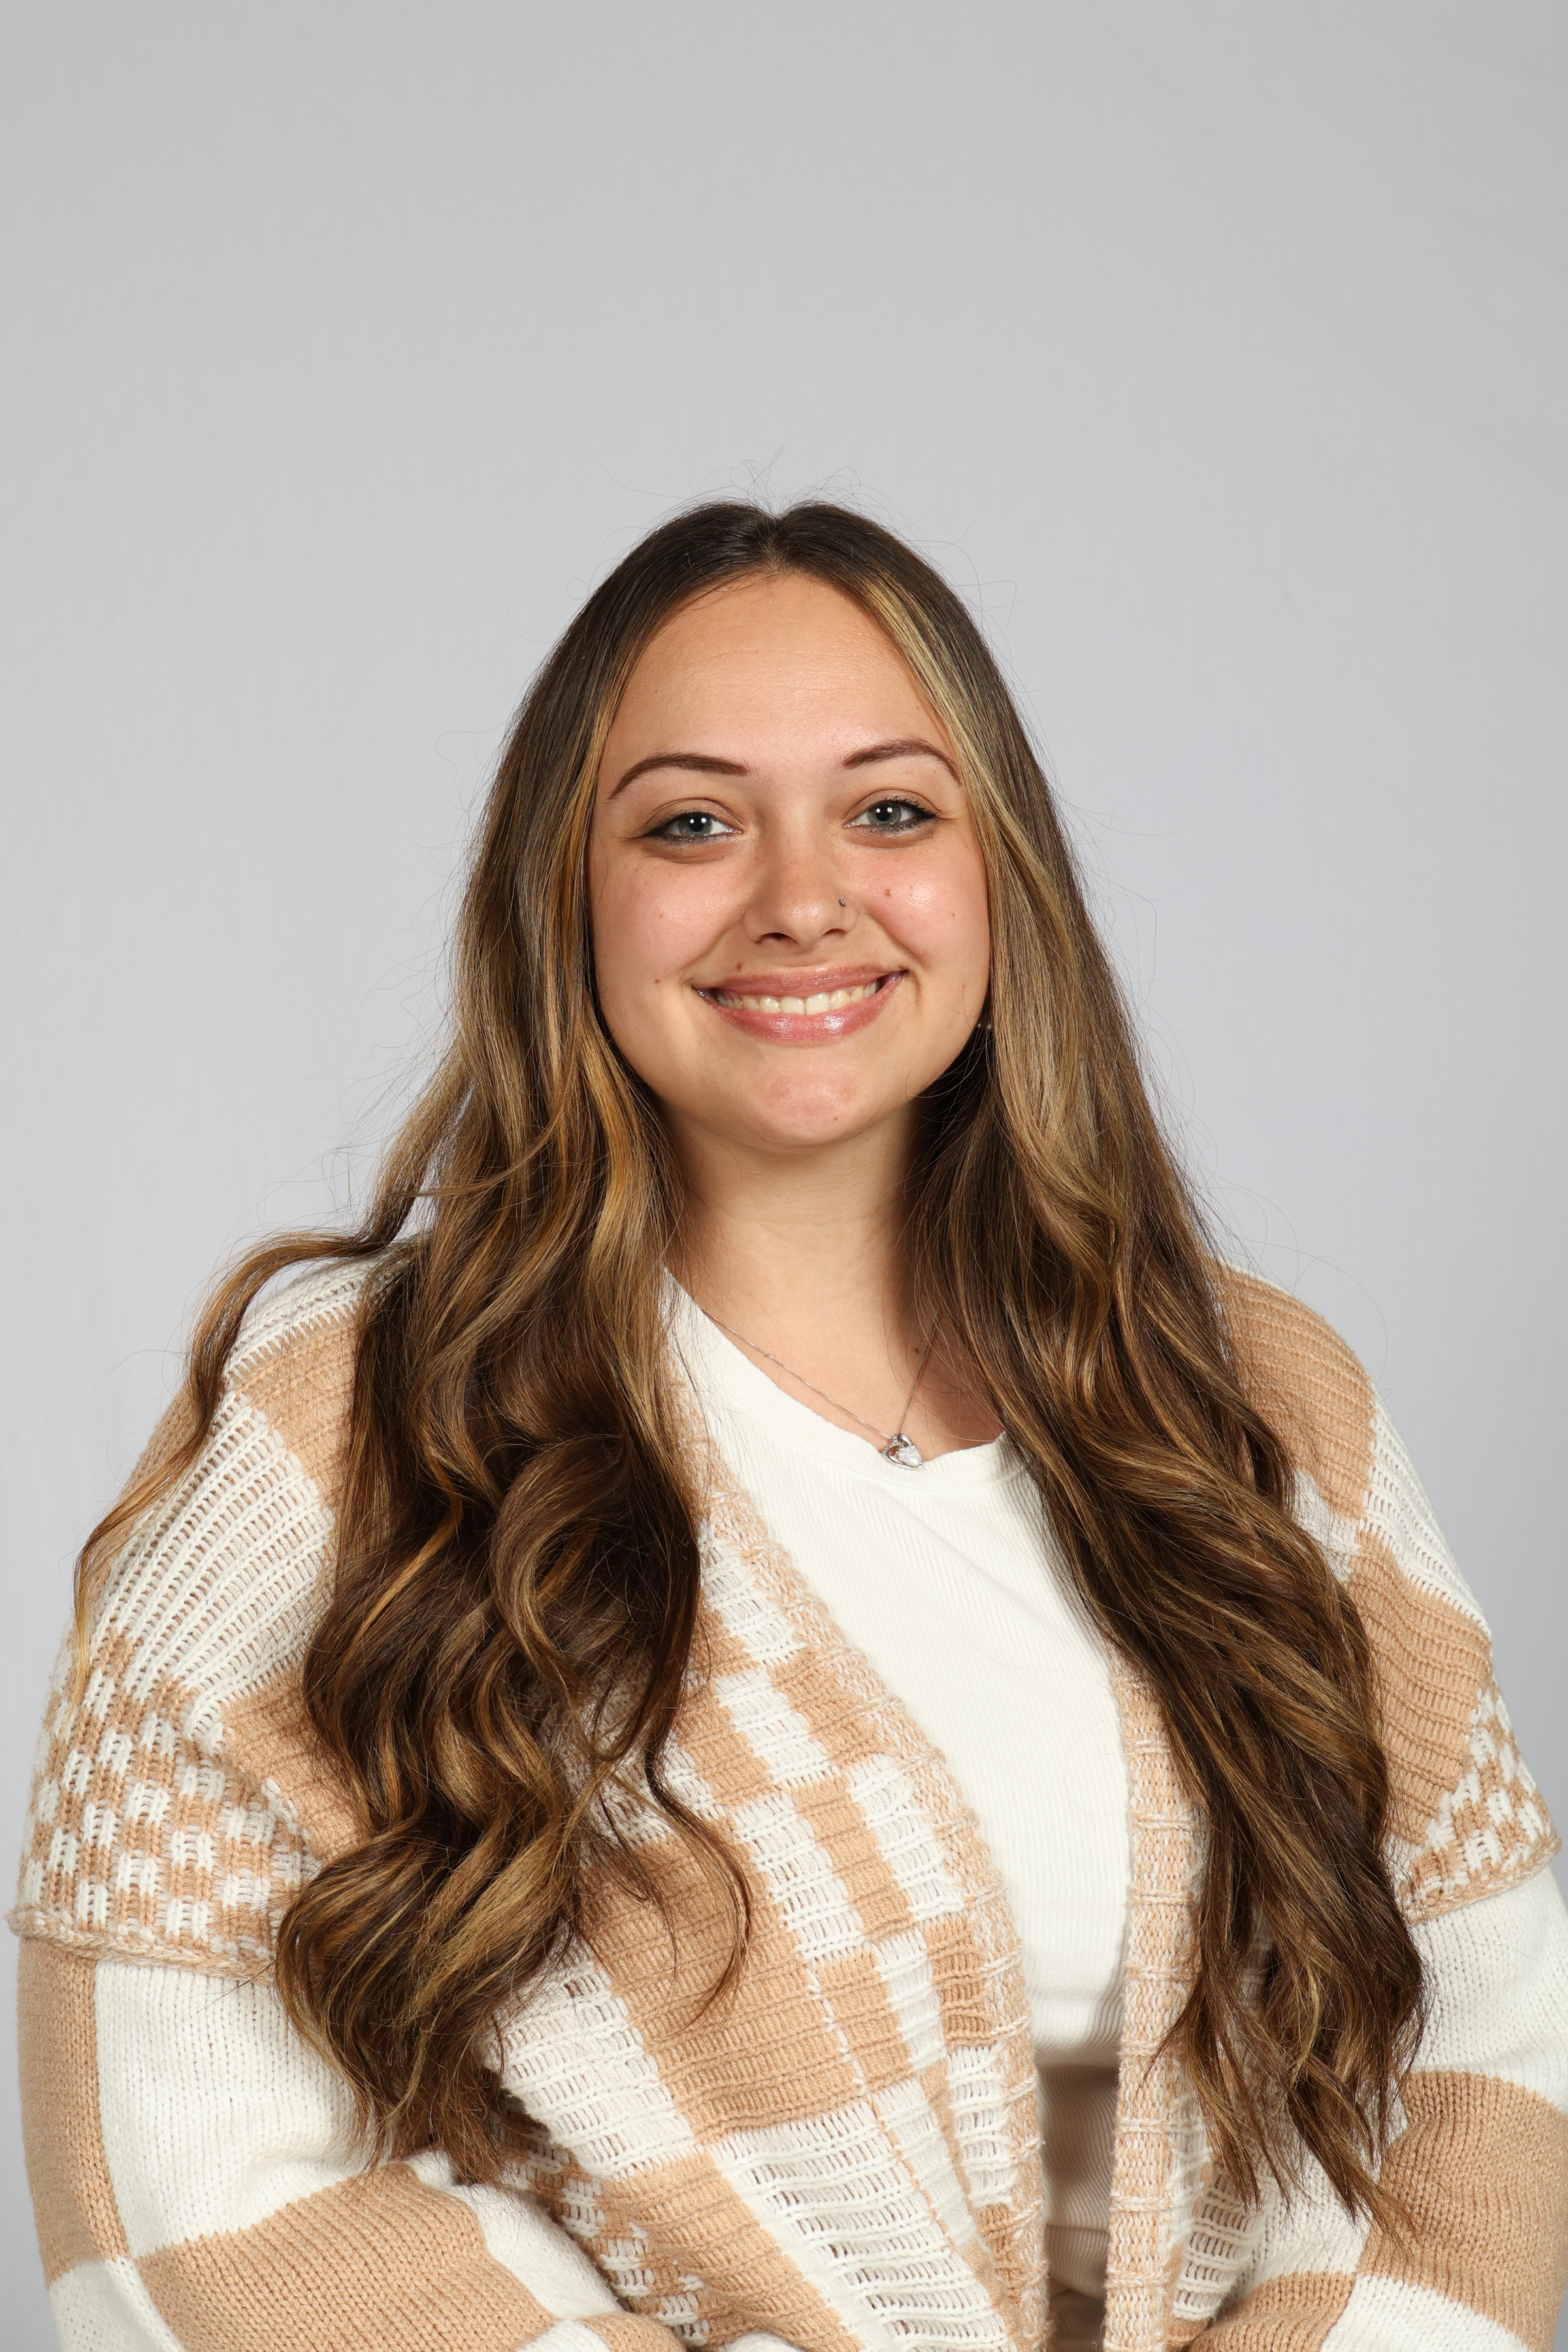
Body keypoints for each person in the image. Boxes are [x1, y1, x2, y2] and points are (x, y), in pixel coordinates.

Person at [13, 501, 1567, 2352]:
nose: (804, 899)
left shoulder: (1253, 1404)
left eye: (891, 811)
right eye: (692, 824)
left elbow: (1478, 2038)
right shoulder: (343, 1438)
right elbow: (181, 2191)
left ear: (1002, 874)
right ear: (564, 900)